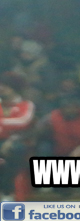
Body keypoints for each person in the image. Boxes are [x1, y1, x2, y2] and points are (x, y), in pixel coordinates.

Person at [0, 71, 36, 200]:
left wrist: (2, 124)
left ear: (14, 87)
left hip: (20, 142)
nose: (1, 88)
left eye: (5, 85)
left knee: (14, 151)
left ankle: (8, 192)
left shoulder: (26, 105)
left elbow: (23, 121)